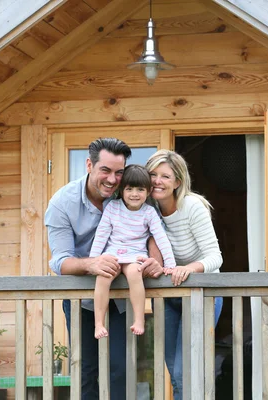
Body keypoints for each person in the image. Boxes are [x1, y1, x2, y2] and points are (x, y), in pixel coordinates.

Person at [45, 137, 162, 399]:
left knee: (120, 368)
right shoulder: (62, 204)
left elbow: (154, 231)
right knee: (86, 370)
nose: (112, 179)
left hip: (121, 296)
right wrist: (91, 263)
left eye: (118, 172)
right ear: (89, 165)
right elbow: (60, 261)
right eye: (105, 171)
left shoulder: (132, 194)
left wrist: (156, 260)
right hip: (82, 299)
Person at [142, 149, 224, 400]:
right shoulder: (147, 209)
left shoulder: (192, 206)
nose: (158, 181)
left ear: (178, 181)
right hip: (169, 296)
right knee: (175, 373)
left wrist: (188, 268)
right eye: (153, 174)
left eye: (165, 176)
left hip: (201, 294)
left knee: (183, 372)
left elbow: (215, 256)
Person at [90, 164, 176, 338]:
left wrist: (171, 264)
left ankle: (139, 319)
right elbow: (101, 235)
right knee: (103, 277)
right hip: (112, 254)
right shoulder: (113, 208)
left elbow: (161, 239)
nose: (134, 194)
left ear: (149, 191)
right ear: (122, 190)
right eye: (129, 189)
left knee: (136, 273)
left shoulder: (149, 212)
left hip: (134, 256)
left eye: (140, 189)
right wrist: (93, 261)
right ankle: (99, 323)